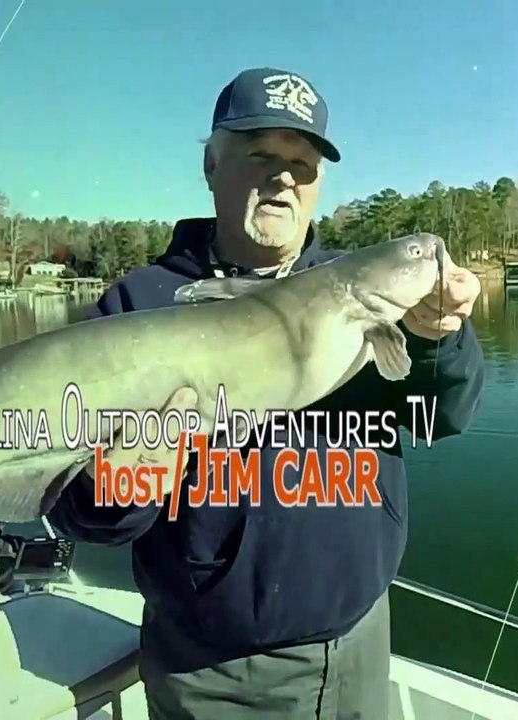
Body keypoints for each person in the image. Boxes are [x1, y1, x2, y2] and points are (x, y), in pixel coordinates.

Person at [46, 66, 486, 719]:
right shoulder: (137, 307)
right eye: (260, 154)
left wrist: (441, 336)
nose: (282, 176)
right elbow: (78, 510)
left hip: (364, 642)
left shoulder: (363, 294)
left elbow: (443, 413)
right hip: (217, 673)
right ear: (211, 162)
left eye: (301, 164)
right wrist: (122, 480)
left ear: (317, 185)